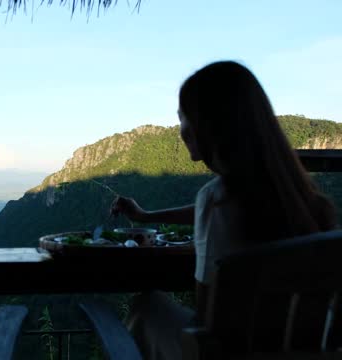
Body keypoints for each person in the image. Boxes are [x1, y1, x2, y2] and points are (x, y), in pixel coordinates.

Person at [110, 60, 337, 360]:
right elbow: (220, 207)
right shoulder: (313, 205)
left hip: (223, 353)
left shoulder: (216, 200)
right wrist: (147, 217)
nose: (181, 130)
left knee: (146, 307)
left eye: (183, 118)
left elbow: (207, 316)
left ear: (205, 125)